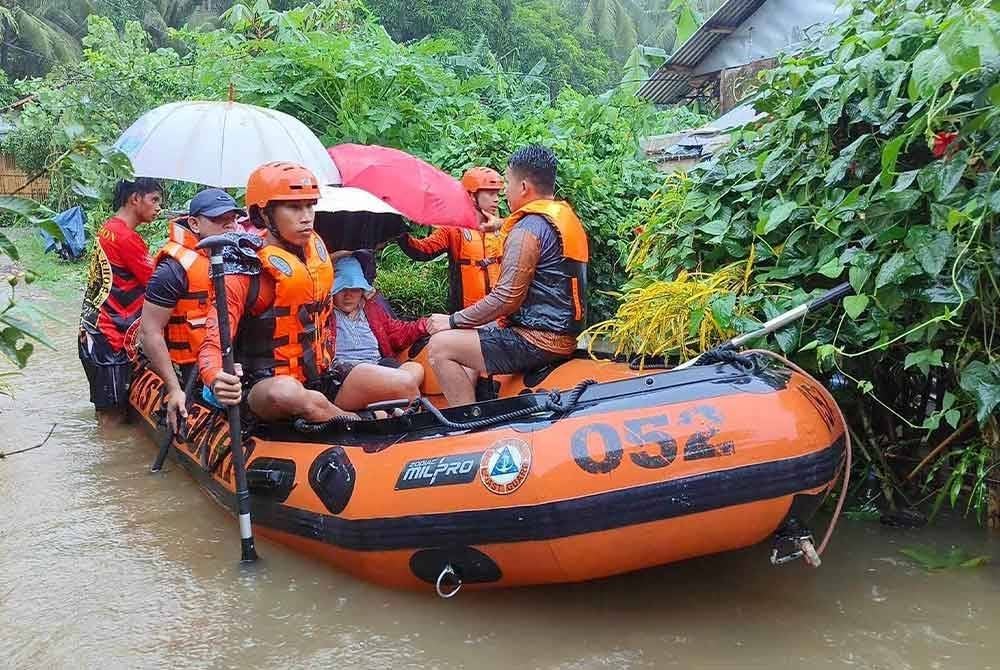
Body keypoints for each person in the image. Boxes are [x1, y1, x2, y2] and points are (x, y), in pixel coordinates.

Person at [200, 162, 420, 423]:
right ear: (264, 215)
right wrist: (215, 375)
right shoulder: (246, 271)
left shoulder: (316, 254)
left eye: (310, 205)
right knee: (287, 392)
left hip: (320, 378)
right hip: (264, 388)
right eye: (293, 207)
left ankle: (335, 416)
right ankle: (356, 422)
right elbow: (213, 340)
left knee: (403, 383)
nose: (306, 216)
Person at [424, 146, 588, 407]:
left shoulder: (526, 230)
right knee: (470, 330)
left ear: (523, 187)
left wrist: (452, 320)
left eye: (507, 183)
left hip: (536, 339)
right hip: (562, 335)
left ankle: (466, 423)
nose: (504, 194)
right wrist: (501, 224)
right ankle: (477, 400)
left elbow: (506, 298)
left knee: (440, 346)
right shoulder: (562, 216)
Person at [140, 189, 243, 433]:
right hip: (191, 369)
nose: (230, 226)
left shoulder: (240, 259)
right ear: (195, 223)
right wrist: (175, 389)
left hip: (227, 358)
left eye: (233, 218)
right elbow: (149, 331)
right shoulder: (173, 269)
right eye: (220, 219)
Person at [79, 177, 163, 425]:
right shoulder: (126, 238)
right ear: (135, 198)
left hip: (93, 331)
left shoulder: (109, 228)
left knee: (106, 411)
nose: (159, 207)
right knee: (112, 419)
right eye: (154, 199)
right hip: (110, 338)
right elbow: (157, 284)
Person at [397, 167, 505, 312]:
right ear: (472, 196)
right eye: (491, 194)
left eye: (497, 194)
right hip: (466, 315)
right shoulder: (453, 230)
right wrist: (399, 230)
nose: (497, 199)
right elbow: (422, 251)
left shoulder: (504, 228)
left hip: (499, 315)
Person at [329, 255, 426, 390]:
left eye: (355, 288)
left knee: (415, 368)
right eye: (342, 289)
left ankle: (391, 402)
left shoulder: (372, 309)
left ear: (362, 291)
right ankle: (392, 404)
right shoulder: (323, 315)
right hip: (347, 373)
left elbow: (397, 332)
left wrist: (426, 325)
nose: (348, 295)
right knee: (391, 379)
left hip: (379, 366)